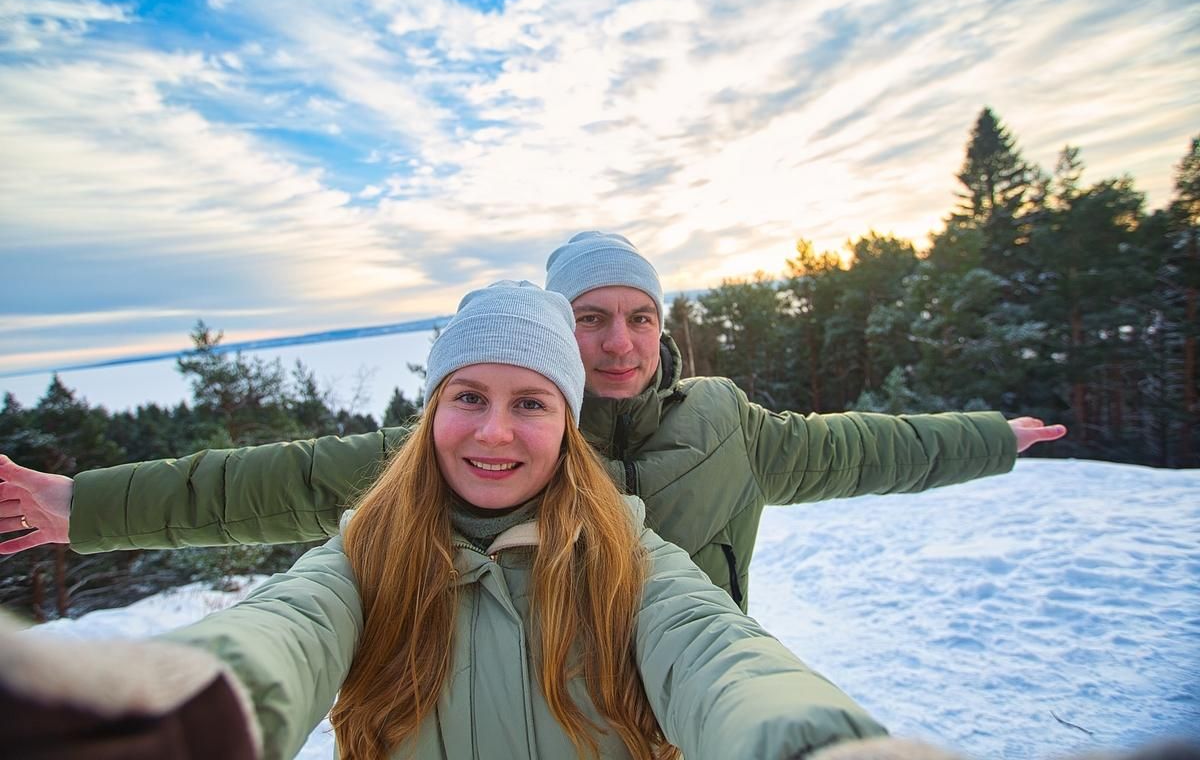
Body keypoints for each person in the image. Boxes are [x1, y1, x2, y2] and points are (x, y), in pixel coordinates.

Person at [3, 281, 894, 760]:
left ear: (566, 422)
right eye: (467, 396)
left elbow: (719, 656)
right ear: (431, 409)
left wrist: (811, 744)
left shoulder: (628, 551)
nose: (495, 431)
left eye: (533, 405)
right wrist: (177, 713)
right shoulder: (368, 548)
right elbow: (281, 627)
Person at [0, 231, 1065, 612]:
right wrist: (78, 502)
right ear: (560, 324)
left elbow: (868, 446)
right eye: (592, 318)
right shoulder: (492, 436)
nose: (619, 341)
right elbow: (261, 482)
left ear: (664, 329)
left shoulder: (732, 424)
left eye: (640, 318)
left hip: (691, 717)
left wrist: (990, 437)